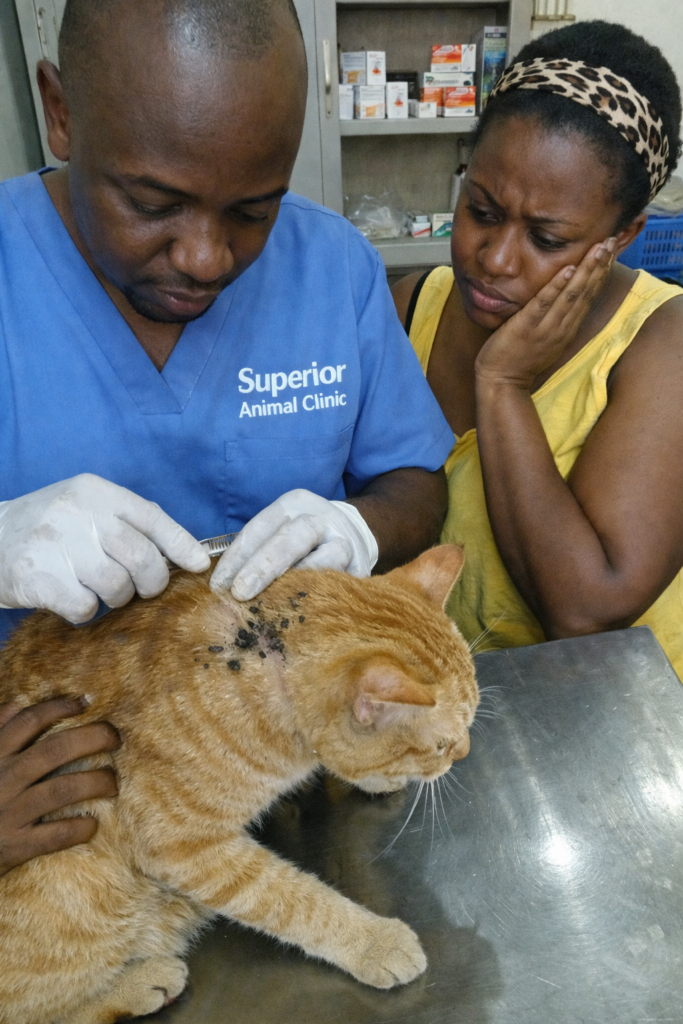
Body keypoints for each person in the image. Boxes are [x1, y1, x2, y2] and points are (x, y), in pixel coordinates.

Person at [0, 0, 454, 872]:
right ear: (59, 112)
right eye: (152, 202)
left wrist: (360, 527)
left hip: (288, 774)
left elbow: (412, 477)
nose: (208, 258)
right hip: (56, 792)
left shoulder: (332, 269)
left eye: (254, 209)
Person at [393, 21, 683, 677]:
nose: (493, 260)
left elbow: (585, 611)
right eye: (481, 210)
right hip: (424, 703)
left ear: (623, 234)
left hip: (601, 728)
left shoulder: (662, 344)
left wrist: (500, 385)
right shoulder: (411, 305)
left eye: (546, 241)